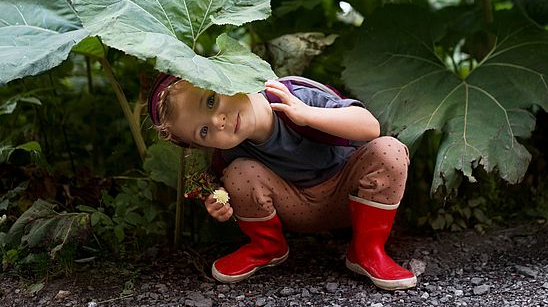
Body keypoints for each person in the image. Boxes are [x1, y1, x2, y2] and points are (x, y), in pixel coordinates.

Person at [147, 73, 417, 290]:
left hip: (348, 197)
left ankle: (367, 250)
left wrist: (307, 114)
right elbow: (226, 191)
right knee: (239, 173)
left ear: (226, 76)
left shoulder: (291, 94)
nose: (218, 121)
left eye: (210, 101)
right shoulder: (231, 152)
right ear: (199, 145)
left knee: (389, 150)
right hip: (296, 209)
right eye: (203, 131)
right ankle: (268, 247)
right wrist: (219, 203)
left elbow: (370, 127)